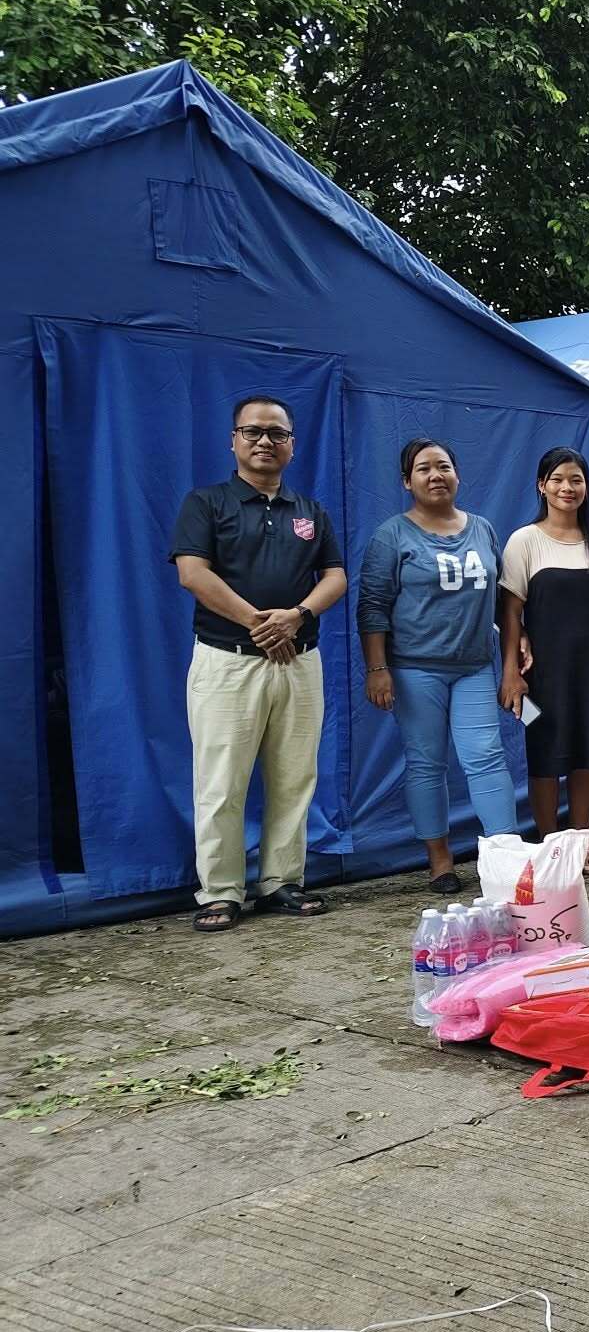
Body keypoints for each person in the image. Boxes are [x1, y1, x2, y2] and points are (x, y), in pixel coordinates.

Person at [171, 396, 347, 932]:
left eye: (277, 433)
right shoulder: (207, 503)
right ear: (234, 440)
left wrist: (295, 617)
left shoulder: (309, 511)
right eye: (253, 432)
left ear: (292, 444)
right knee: (222, 781)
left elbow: (335, 576)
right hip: (228, 662)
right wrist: (260, 623)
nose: (265, 441)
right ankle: (220, 892)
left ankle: (281, 883)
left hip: (299, 661)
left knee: (295, 778)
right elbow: (192, 574)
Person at [358, 439, 520, 892]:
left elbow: (502, 600)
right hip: (414, 670)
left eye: (444, 466)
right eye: (424, 469)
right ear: (407, 481)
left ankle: (505, 856)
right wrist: (377, 668)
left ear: (457, 474)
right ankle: (440, 859)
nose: (436, 475)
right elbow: (372, 605)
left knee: (486, 758)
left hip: (473, 665)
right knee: (427, 763)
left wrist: (514, 653)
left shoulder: (483, 528)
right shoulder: (392, 535)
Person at [497, 447, 589, 837]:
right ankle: (547, 841)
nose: (567, 487)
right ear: (542, 486)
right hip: (539, 676)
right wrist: (510, 672)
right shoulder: (523, 541)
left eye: (576, 479)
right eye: (557, 479)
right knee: (543, 755)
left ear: (587, 487)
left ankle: (579, 838)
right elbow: (509, 613)